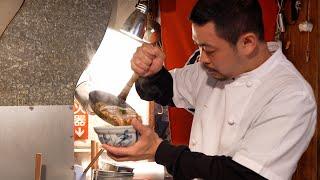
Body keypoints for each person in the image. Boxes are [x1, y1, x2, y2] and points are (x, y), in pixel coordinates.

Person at [103, 0, 317, 179]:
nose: (202, 59)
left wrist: (159, 151)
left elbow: (243, 175)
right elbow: (163, 91)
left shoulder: (290, 95)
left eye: (209, 49)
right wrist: (151, 73)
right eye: (198, 46)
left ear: (248, 43)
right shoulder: (211, 70)